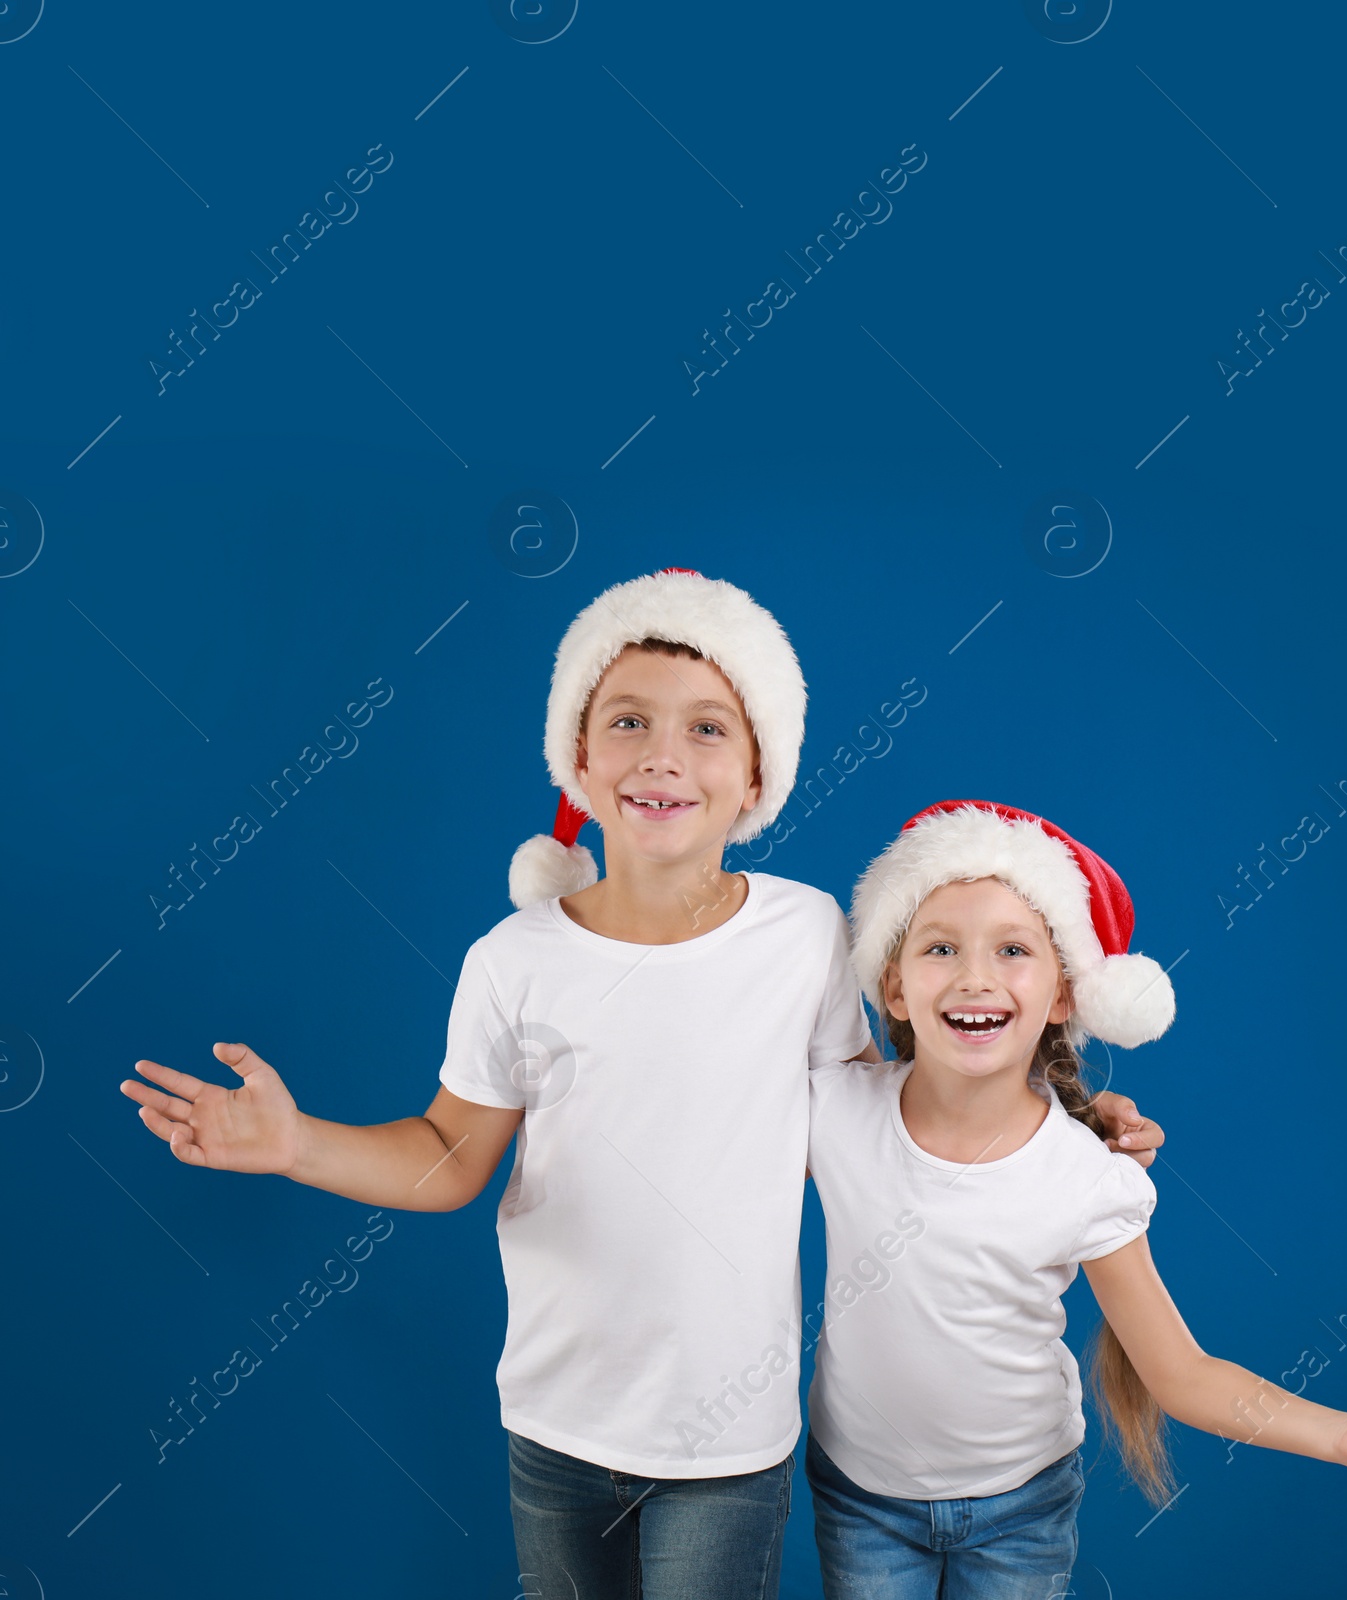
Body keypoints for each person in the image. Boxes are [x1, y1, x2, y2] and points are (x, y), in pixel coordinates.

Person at [119, 574, 1164, 1600]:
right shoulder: (513, 959)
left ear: (758, 777)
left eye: (709, 727)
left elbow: (884, 1115)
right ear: (577, 760)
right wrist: (297, 1141)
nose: (664, 753)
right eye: (627, 721)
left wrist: (1059, 1119)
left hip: (729, 1440)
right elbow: (448, 1157)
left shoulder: (804, 936)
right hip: (555, 1423)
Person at [804, 799, 1347, 1599]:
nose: (975, 977)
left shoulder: (1088, 1179)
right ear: (892, 987)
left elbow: (1182, 1375)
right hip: (862, 1499)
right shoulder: (835, 1115)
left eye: (1012, 950)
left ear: (1065, 994)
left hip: (1020, 1508)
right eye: (940, 948)